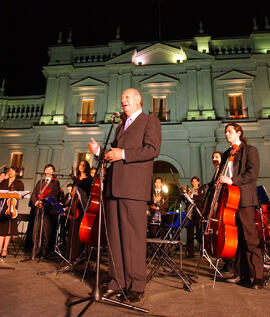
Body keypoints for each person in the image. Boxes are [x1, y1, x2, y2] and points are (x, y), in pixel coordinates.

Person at [88, 88, 161, 302]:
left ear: (139, 100)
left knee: (133, 239)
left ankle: (136, 284)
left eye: (127, 98)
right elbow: (114, 156)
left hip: (134, 190)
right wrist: (99, 152)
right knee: (115, 239)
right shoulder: (120, 126)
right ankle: (116, 281)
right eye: (121, 99)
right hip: (114, 188)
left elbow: (152, 150)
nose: (123, 101)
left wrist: (124, 154)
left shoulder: (150, 121)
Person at [219, 123, 264, 289]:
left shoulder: (250, 150)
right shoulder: (226, 154)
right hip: (229, 200)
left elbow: (252, 174)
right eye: (225, 132)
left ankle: (258, 276)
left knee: (250, 238)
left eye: (229, 131)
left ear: (238, 133)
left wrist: (232, 181)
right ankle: (242, 275)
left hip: (244, 199)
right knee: (236, 239)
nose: (226, 134)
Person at [30, 164, 61, 260]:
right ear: (44, 171)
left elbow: (54, 194)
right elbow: (35, 193)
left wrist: (43, 202)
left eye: (51, 169)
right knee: (36, 231)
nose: (48, 170)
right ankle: (35, 252)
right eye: (47, 169)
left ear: (53, 172)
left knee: (45, 232)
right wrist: (36, 201)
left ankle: (44, 253)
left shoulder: (55, 183)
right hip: (38, 209)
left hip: (47, 210)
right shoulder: (40, 182)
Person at [65, 160, 91, 262]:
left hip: (82, 207)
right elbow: (72, 193)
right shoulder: (76, 179)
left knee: (80, 232)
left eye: (84, 165)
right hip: (74, 206)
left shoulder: (89, 179)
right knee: (72, 231)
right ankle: (70, 255)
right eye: (81, 164)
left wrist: (79, 190)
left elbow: (88, 194)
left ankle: (80, 256)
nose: (82, 166)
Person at [0, 166, 24, 260]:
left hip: (12, 207)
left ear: (17, 173)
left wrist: (15, 195)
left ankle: (4, 250)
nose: (10, 172)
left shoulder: (19, 183)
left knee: (8, 231)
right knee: (1, 230)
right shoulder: (4, 182)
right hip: (2, 207)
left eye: (12, 171)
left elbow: (21, 195)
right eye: (9, 171)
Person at [186, 176, 206, 258]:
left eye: (195, 181)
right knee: (189, 234)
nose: (194, 183)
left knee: (199, 233)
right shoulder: (189, 191)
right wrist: (187, 196)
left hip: (198, 214)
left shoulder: (201, 190)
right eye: (192, 181)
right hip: (190, 214)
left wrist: (192, 196)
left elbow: (201, 199)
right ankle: (190, 253)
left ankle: (202, 251)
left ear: (198, 182)